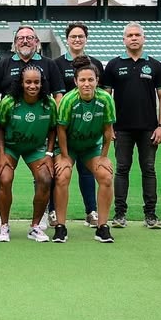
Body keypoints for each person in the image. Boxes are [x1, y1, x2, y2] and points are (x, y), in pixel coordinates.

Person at [101, 22, 161, 229]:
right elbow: (106, 97)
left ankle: (151, 215)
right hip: (121, 129)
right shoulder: (113, 65)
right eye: (129, 35)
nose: (133, 38)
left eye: (137, 35)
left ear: (143, 38)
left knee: (148, 170)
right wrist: (108, 126)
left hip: (149, 128)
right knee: (122, 169)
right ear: (124, 40)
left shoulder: (155, 66)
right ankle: (120, 214)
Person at [54, 56, 117, 244]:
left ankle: (102, 227)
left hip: (91, 147)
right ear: (75, 81)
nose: (87, 83)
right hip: (69, 147)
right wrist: (65, 157)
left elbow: (108, 130)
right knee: (63, 175)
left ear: (97, 81)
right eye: (82, 80)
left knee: (106, 176)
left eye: (91, 79)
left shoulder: (105, 99)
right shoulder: (68, 100)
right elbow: (61, 130)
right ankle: (60, 226)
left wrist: (104, 157)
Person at [0, 66, 57, 244]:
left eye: (36, 82)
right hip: (10, 147)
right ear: (21, 83)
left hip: (35, 148)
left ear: (42, 83)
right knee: (5, 179)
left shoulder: (48, 103)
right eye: (28, 82)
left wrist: (49, 153)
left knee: (45, 179)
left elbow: (53, 130)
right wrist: (2, 153)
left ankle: (35, 226)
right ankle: (4, 226)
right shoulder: (9, 102)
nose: (32, 86)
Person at [52, 22, 104, 227]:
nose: (77, 40)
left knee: (87, 171)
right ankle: (53, 212)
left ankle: (91, 211)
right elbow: (56, 94)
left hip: (89, 128)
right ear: (67, 39)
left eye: (80, 36)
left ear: (86, 39)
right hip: (64, 126)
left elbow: (103, 95)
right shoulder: (57, 63)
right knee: (59, 171)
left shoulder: (96, 64)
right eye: (73, 36)